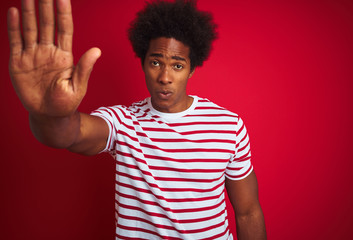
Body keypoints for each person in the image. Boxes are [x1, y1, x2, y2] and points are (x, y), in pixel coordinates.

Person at [7, 0, 266, 239]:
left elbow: (248, 212)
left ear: (192, 68)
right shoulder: (123, 121)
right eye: (155, 62)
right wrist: (50, 113)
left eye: (177, 65)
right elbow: (67, 134)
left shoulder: (228, 126)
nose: (165, 77)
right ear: (143, 63)